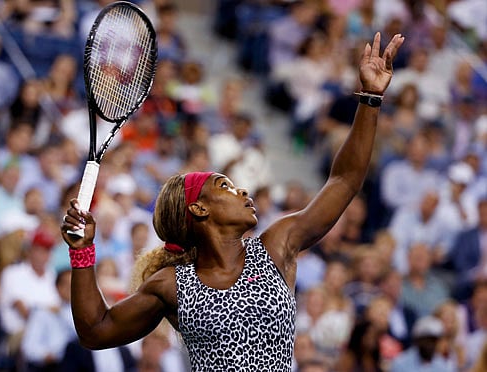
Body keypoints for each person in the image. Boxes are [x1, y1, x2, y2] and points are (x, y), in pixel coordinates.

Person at [61, 33, 405, 371]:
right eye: (224, 186)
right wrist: (82, 252)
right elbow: (96, 331)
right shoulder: (171, 285)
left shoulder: (276, 245)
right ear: (199, 208)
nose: (242, 191)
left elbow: (344, 182)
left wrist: (370, 98)